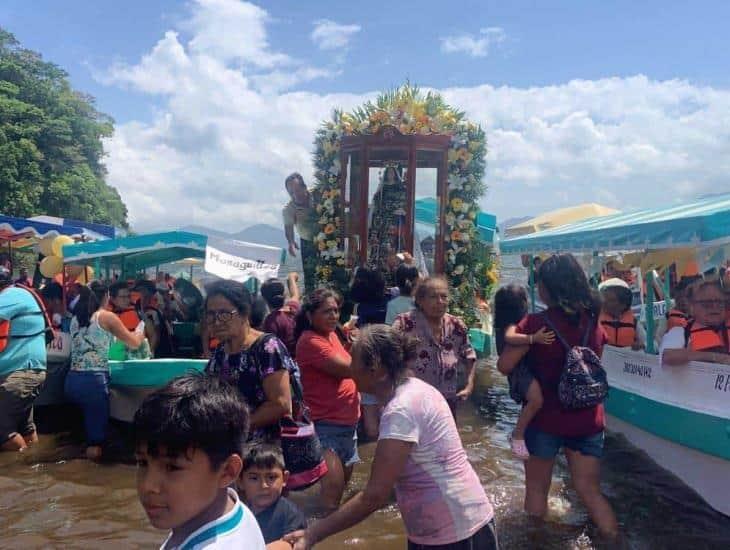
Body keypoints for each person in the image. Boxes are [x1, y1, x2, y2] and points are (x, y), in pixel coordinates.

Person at [284, 324, 498, 550]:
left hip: (453, 533)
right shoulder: (417, 389)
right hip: (466, 519)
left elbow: (374, 495)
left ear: (376, 370)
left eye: (353, 360)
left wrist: (312, 534)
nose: (350, 367)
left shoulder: (401, 410)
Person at [497, 254, 618, 538]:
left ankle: (536, 543)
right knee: (590, 491)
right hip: (588, 417)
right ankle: (615, 541)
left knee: (537, 492)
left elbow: (504, 365)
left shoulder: (536, 323)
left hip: (545, 419)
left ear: (548, 288)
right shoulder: (592, 321)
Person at [134, 374, 266, 549]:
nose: (148, 486)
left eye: (172, 467)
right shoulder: (233, 508)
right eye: (142, 463)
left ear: (228, 472)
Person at [204, 280, 295, 444]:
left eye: (224, 314)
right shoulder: (220, 352)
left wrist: (234, 430)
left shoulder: (267, 347)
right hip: (231, 447)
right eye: (211, 315)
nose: (216, 322)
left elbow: (280, 404)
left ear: (244, 313)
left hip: (263, 453)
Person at [295, 289, 360, 510]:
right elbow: (347, 369)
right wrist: (369, 347)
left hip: (348, 426)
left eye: (335, 310)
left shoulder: (331, 335)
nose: (333, 316)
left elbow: (345, 359)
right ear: (310, 316)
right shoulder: (310, 341)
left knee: (338, 493)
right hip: (326, 427)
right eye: (326, 312)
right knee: (331, 499)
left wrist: (352, 343)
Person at [65, 282, 145, 460]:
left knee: (80, 438)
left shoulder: (75, 318)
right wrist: (140, 332)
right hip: (93, 383)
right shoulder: (106, 317)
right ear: (107, 296)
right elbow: (134, 342)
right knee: (95, 444)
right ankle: (89, 481)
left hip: (71, 381)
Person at [392, 276, 477, 419]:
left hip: (447, 400)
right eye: (433, 297)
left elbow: (470, 357)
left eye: (444, 297)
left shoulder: (456, 325)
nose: (440, 302)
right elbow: (388, 351)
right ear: (420, 300)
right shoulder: (404, 323)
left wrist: (469, 385)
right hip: (413, 400)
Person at [493, 284, 554, 460]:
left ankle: (520, 433)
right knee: (536, 400)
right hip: (520, 372)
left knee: (531, 403)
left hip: (520, 371)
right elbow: (509, 337)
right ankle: (517, 434)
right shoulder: (511, 326)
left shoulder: (504, 324)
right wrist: (533, 338)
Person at [0, 267, 47, 451]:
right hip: (24, 373)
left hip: (20, 374)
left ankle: (20, 470)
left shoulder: (9, 296)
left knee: (2, 431)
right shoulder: (19, 294)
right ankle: (34, 468)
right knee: (25, 428)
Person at [239, 445, 307, 548]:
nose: (263, 485)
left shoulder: (291, 516)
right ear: (240, 482)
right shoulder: (236, 510)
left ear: (285, 479)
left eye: (271, 477)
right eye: (254, 478)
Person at [350, 267, 388, 440]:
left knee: (370, 409)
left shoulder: (360, 307)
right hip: (388, 359)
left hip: (368, 358)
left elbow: (356, 331)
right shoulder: (390, 303)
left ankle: (372, 446)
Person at [661, 279, 730, 365]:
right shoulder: (680, 332)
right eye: (707, 303)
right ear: (692, 308)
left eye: (719, 302)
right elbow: (667, 357)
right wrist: (716, 357)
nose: (714, 307)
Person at [367, 165, 408, 281]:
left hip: (395, 220)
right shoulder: (382, 189)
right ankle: (380, 271)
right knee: (381, 246)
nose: (390, 174)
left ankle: (397, 271)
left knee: (395, 245)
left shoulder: (400, 187)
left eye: (392, 172)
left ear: (395, 174)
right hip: (382, 220)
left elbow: (404, 201)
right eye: (388, 172)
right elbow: (377, 203)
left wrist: (399, 209)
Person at [282, 173, 317, 294]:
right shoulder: (288, 209)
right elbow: (288, 228)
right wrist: (291, 242)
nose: (295, 195)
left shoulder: (318, 193)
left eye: (297, 190)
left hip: (328, 237)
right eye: (291, 192)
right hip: (307, 241)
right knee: (310, 276)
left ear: (304, 187)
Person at [261, 273, 301, 358]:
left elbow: (271, 350)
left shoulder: (270, 321)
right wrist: (291, 278)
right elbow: (295, 295)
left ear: (264, 299)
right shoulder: (293, 308)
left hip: (288, 364)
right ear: (285, 295)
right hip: (302, 359)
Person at [598, 278, 645, 349]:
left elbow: (653, 344)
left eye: (611, 300)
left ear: (623, 304)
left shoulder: (634, 322)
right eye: (604, 299)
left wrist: (642, 345)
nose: (605, 302)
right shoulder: (595, 320)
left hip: (626, 358)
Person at [134, 280, 174, 357]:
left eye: (142, 291)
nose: (140, 293)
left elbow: (157, 333)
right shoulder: (138, 304)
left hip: (160, 350)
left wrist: (150, 352)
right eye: (138, 291)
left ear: (149, 292)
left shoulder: (154, 309)